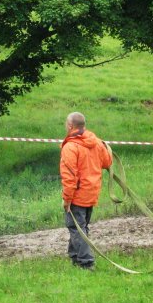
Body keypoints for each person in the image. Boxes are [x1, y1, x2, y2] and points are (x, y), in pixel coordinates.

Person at [60, 111, 113, 270]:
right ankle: (75, 257)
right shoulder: (96, 142)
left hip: (78, 194)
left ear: (70, 126)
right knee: (81, 226)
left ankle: (86, 262)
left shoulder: (70, 147)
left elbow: (69, 176)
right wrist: (103, 146)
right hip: (92, 192)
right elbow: (107, 162)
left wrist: (67, 199)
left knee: (77, 228)